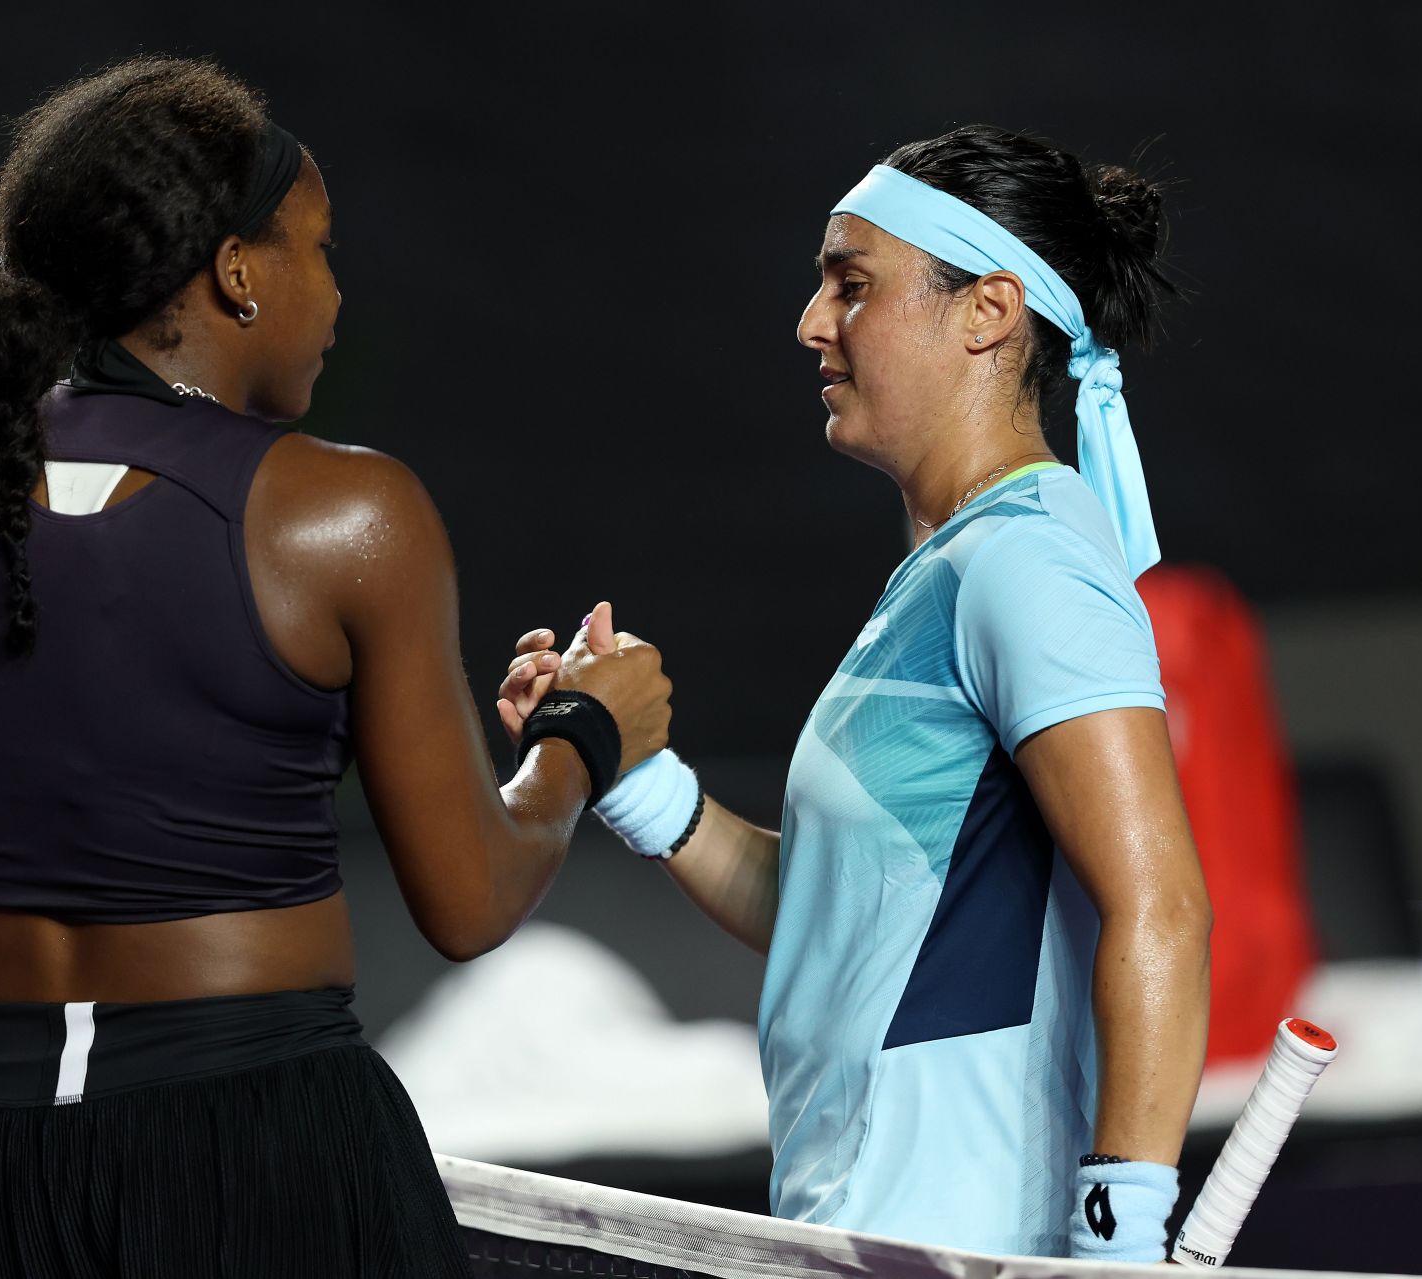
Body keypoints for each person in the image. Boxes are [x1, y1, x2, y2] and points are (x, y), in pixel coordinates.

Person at [0, 56, 671, 1276]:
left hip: (4, 1152)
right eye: (318, 250)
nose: (334, 294)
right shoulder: (350, 515)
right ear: (236, 269)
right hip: (278, 1157)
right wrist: (583, 740)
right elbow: (470, 898)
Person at [499, 125, 1212, 1261]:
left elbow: (1160, 906)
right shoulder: (956, 566)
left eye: (853, 284)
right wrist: (632, 774)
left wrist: (1117, 1240)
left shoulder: (1030, 564)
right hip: (863, 1229)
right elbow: (839, 913)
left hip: (956, 1237)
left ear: (987, 312)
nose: (812, 322)